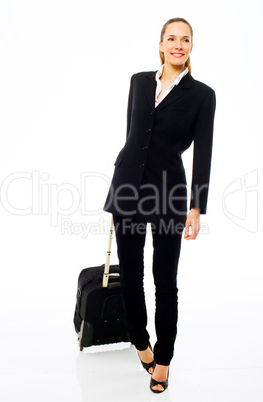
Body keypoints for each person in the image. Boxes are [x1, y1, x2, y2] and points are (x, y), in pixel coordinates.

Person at [103, 17, 216, 393]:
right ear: (161, 44)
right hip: (127, 190)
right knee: (130, 277)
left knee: (165, 282)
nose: (178, 45)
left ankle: (164, 359)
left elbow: (204, 153)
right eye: (172, 38)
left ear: (191, 47)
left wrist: (197, 206)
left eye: (185, 40)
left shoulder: (202, 95)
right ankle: (141, 342)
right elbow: (132, 134)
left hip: (169, 194)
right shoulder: (138, 82)